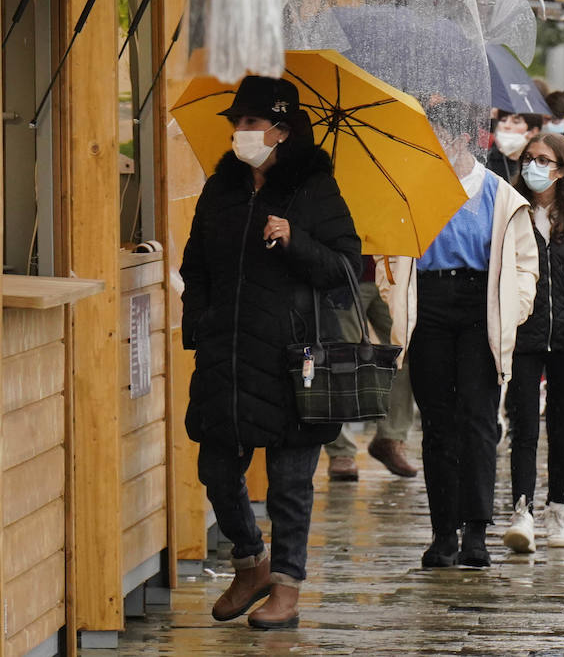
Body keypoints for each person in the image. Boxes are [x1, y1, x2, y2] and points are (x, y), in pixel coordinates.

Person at [180, 75, 361, 630]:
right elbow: (195, 264)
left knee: (288, 483)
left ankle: (286, 586)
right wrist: (203, 327)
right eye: (236, 123)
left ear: (282, 131)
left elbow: (346, 268)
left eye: (251, 123)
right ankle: (251, 562)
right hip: (226, 355)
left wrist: (296, 240)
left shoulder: (314, 190)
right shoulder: (222, 188)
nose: (240, 133)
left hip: (293, 360)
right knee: (215, 468)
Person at [380, 101, 539, 568]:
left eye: (440, 137)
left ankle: (476, 532)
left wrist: (516, 307)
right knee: (437, 423)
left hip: (480, 306)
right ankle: (442, 533)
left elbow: (526, 263)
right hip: (428, 304)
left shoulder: (500, 194)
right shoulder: (411, 190)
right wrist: (395, 298)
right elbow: (391, 259)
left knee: (478, 419)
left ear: (462, 139)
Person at [502, 132, 564, 554]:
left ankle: (557, 508)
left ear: (562, 169)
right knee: (523, 423)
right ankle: (522, 508)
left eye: (544, 160)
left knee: (560, 425)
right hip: (524, 334)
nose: (534, 167)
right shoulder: (511, 211)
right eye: (529, 159)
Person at [322, 256, 419, 481]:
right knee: (341, 359)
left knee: (404, 350)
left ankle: (391, 438)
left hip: (391, 271)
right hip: (345, 272)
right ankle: (340, 451)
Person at [487, 110, 543, 184]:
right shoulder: (485, 162)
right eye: (503, 120)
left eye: (516, 122)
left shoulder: (539, 165)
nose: (506, 126)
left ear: (533, 131)